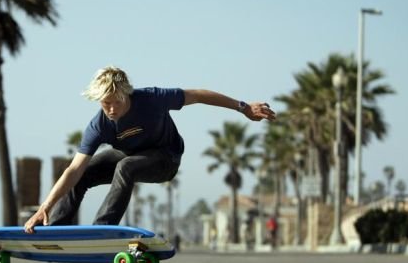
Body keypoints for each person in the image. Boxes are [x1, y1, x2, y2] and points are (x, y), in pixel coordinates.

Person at [24, 66, 275, 233]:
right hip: (131, 156)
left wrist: (243, 107)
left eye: (116, 102)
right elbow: (73, 170)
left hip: (165, 159)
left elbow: (198, 95)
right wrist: (45, 205)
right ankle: (53, 229)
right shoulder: (98, 124)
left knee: (125, 167)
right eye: (105, 103)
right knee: (85, 171)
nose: (111, 109)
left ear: (127, 94)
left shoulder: (153, 99)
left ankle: (102, 231)